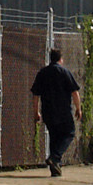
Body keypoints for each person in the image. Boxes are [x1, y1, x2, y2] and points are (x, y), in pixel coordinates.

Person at [30, 48, 82, 177]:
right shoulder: (64, 72)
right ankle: (55, 157)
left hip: (48, 111)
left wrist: (36, 112)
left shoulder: (42, 73)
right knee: (69, 133)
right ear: (60, 59)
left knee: (54, 137)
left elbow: (36, 95)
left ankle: (55, 168)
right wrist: (78, 109)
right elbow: (74, 92)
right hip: (63, 111)